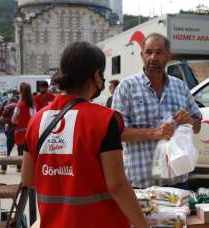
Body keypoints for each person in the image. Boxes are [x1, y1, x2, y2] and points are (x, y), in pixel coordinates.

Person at [21, 41, 148, 228]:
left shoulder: (37, 121)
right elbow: (117, 185)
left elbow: (27, 179)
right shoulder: (104, 120)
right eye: (102, 74)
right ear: (96, 75)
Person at [112, 33, 202, 189]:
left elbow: (197, 126)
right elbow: (116, 133)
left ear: (168, 56)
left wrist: (190, 121)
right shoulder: (127, 87)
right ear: (142, 55)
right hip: (141, 184)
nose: (153, 57)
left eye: (159, 52)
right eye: (148, 52)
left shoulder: (179, 86)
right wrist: (154, 133)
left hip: (178, 182)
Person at [12, 83, 36, 172]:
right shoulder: (32, 105)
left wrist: (20, 122)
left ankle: (20, 167)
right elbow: (34, 118)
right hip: (30, 132)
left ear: (21, 91)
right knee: (30, 152)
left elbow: (13, 120)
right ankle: (29, 169)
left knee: (20, 151)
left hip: (20, 132)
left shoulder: (19, 105)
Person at [0, 96, 17, 174]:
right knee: (21, 150)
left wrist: (7, 122)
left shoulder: (7, 106)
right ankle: (19, 167)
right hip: (20, 130)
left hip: (10, 130)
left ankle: (3, 168)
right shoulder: (19, 106)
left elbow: (1, 118)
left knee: (8, 149)